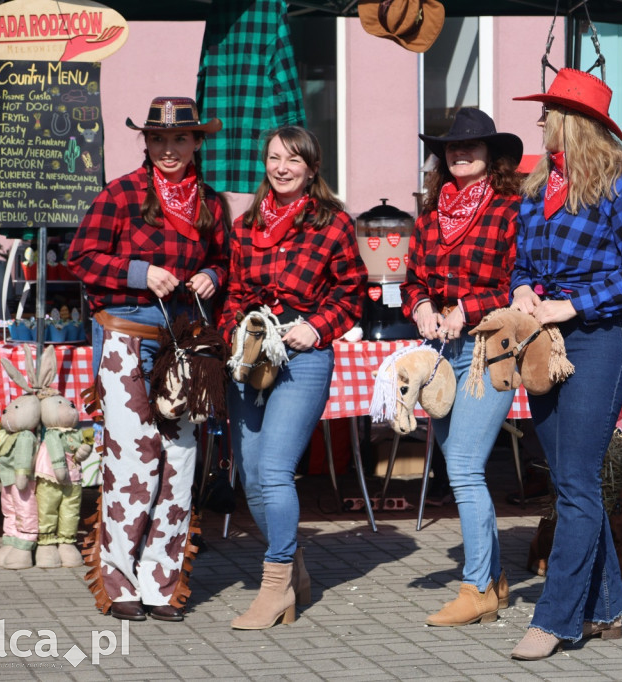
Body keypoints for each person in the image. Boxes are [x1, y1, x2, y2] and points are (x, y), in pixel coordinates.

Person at [509, 68, 622, 660]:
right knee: (571, 482)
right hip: (543, 340)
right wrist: (524, 291)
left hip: (600, 340)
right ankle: (606, 608)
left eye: (547, 111)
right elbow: (522, 262)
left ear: (572, 122)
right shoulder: (537, 185)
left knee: (575, 483)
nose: (540, 120)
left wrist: (572, 304)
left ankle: (556, 618)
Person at [68, 96, 229, 622]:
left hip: (184, 344)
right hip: (127, 336)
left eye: (179, 139)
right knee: (134, 459)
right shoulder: (119, 194)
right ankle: (118, 581)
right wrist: (139, 273)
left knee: (180, 461)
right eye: (157, 139)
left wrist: (215, 276)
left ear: (196, 142)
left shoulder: (211, 202)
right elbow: (81, 258)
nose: (167, 149)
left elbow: (224, 260)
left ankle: (162, 582)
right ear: (146, 142)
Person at [222, 126, 366, 630]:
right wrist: (236, 331)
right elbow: (235, 293)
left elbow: (352, 294)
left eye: (293, 159)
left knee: (276, 469)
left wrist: (317, 326)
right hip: (251, 356)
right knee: (253, 475)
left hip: (303, 356)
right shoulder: (244, 227)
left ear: (312, 167)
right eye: (274, 157)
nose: (281, 167)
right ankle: (295, 567)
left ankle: (276, 582)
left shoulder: (333, 224)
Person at [400, 107, 524, 626]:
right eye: (451, 147)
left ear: (492, 154)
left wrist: (468, 309)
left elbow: (519, 284)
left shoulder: (509, 207)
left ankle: (475, 590)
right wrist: (421, 306)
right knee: (459, 468)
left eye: (471, 145)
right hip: (442, 354)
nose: (460, 153)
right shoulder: (431, 214)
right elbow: (411, 281)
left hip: (489, 348)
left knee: (467, 467)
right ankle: (493, 582)